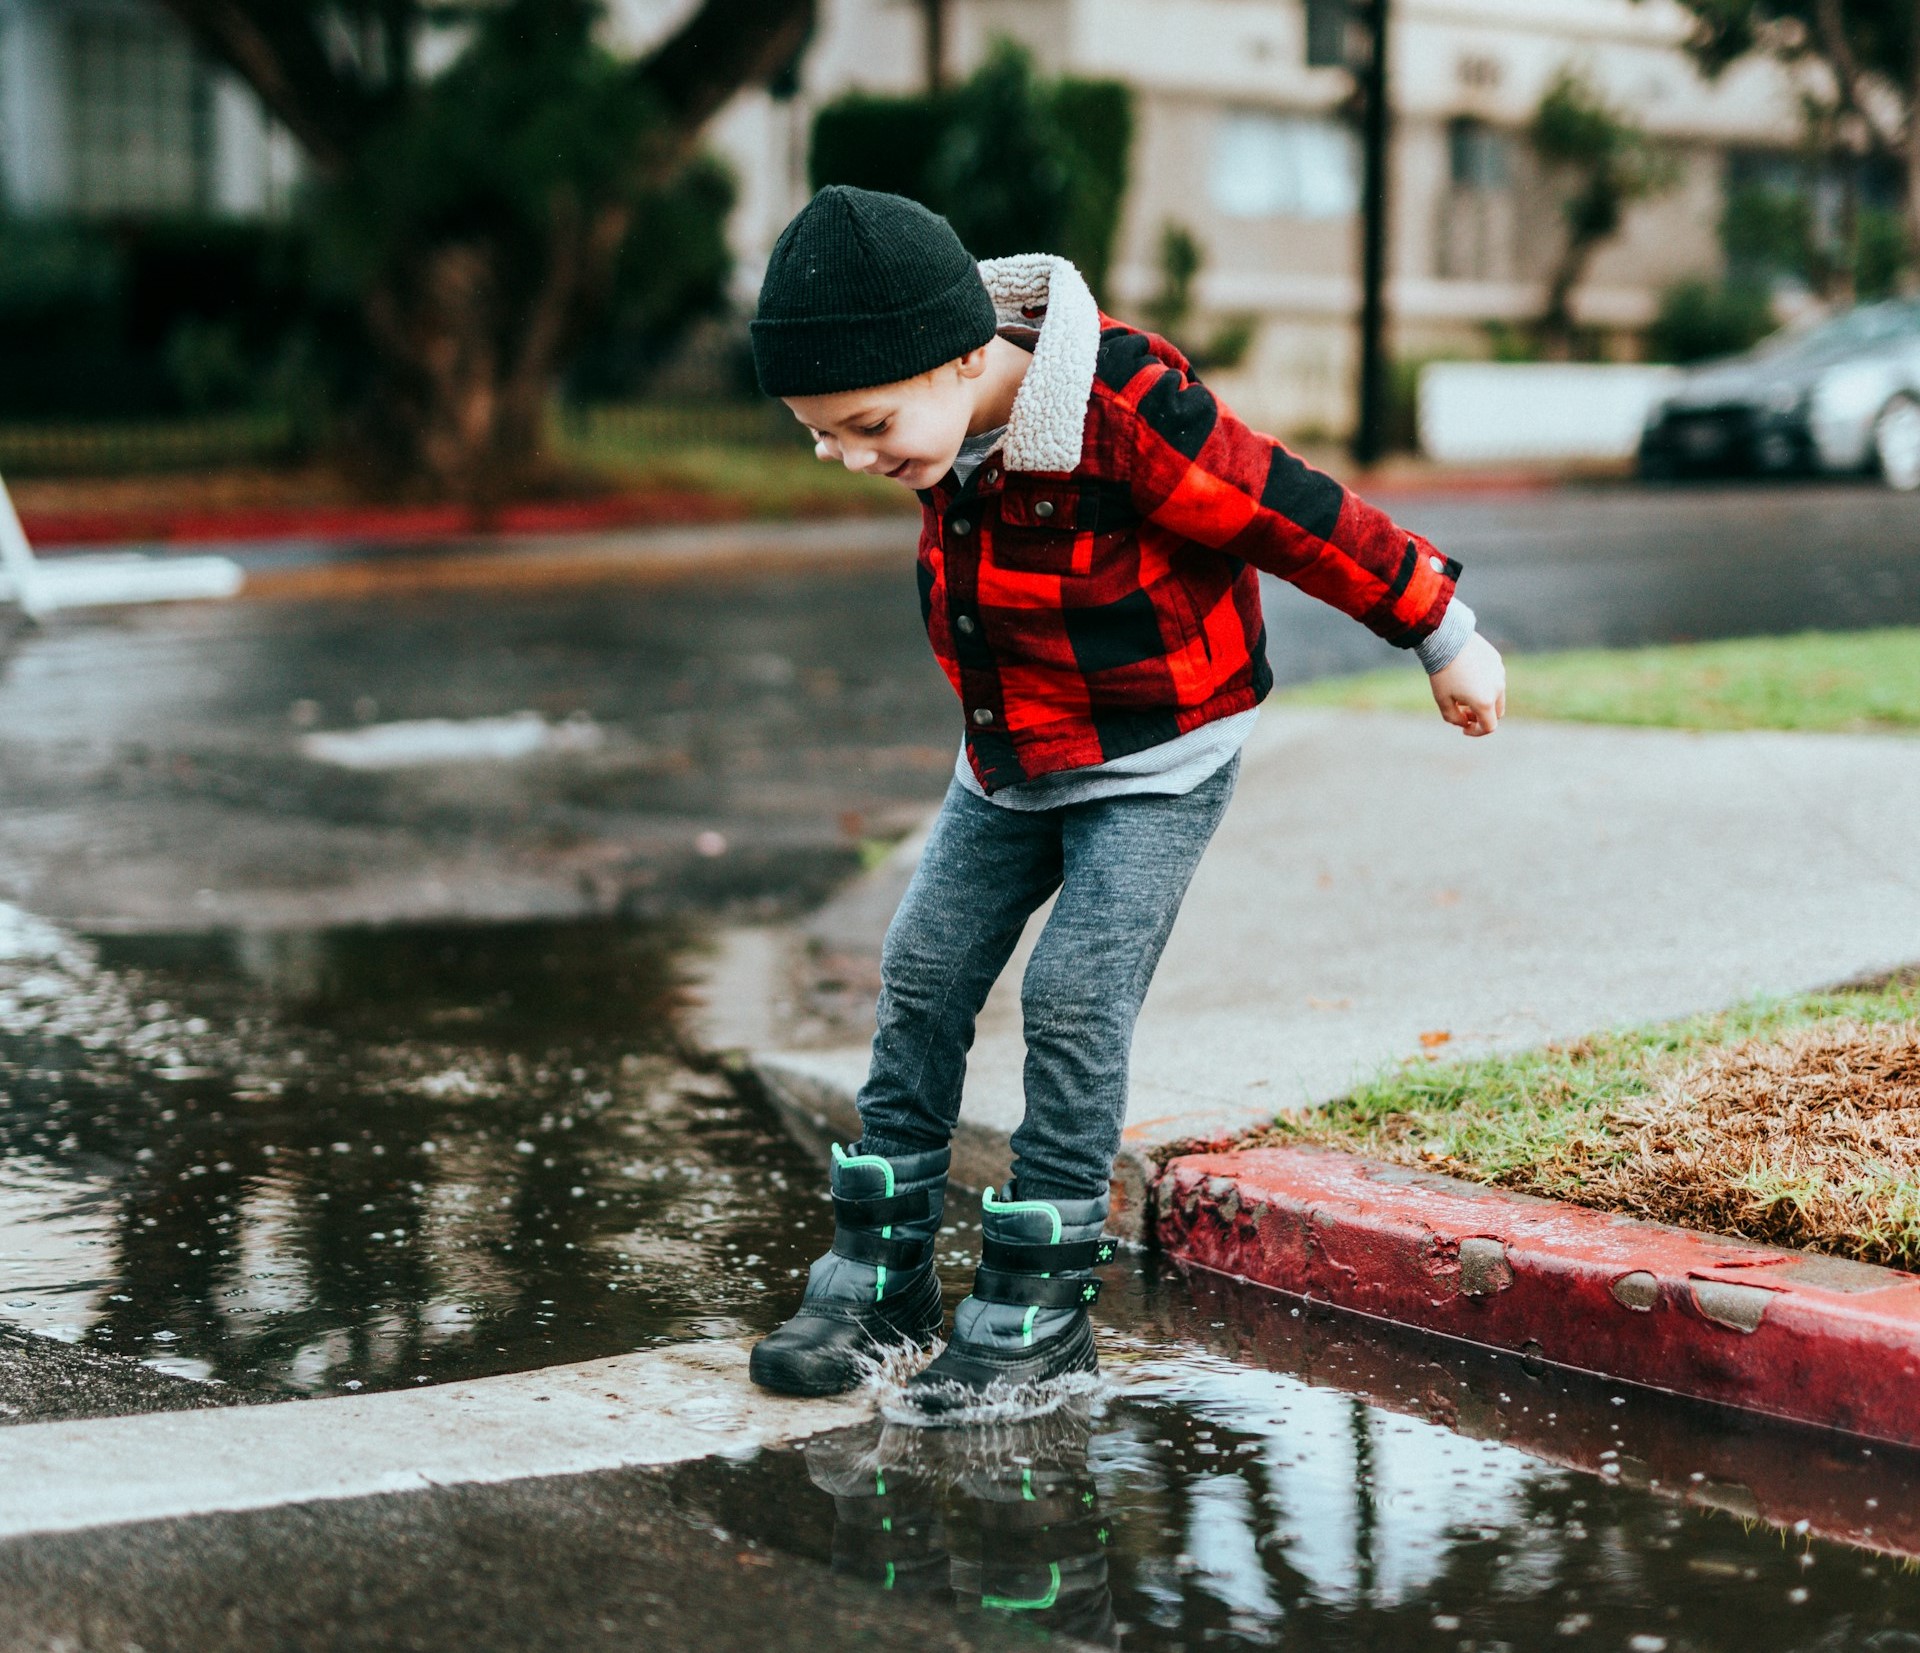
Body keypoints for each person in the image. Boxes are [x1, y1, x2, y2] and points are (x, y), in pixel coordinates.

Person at [745, 186, 1505, 1413]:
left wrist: (1442, 631)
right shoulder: (939, 417)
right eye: (819, 434)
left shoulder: (1124, 409)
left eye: (864, 424)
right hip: (1009, 759)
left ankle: (1036, 1304)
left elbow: (1295, 514)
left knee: (1073, 994)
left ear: (958, 358)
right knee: (924, 972)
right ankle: (877, 1281)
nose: (847, 456)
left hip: (1159, 760)